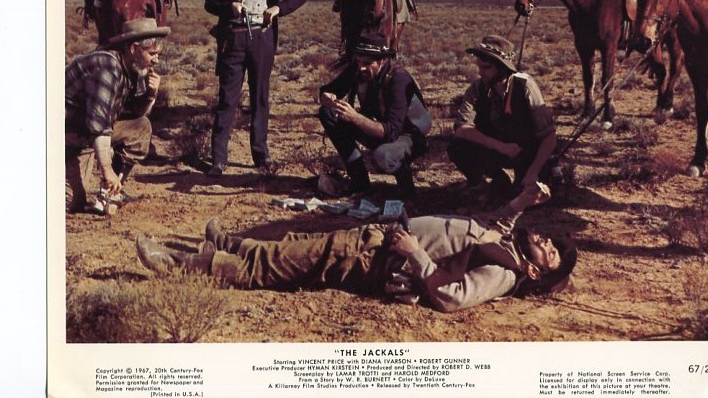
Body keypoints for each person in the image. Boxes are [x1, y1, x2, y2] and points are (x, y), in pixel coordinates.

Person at [135, 183, 576, 313]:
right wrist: (524, 202)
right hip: (376, 240)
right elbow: (496, 225)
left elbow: (452, 297)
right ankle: (230, 244)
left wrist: (415, 252)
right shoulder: (506, 246)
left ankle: (181, 265)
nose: (544, 241)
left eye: (551, 252)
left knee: (285, 264)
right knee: (298, 245)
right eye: (550, 240)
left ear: (536, 273)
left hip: (374, 257)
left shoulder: (503, 273)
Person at [205, 0, 307, 176]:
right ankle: (218, 159)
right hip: (233, 38)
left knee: (260, 96)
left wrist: (278, 8)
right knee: (228, 98)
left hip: (262, 38)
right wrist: (229, 7)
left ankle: (260, 154)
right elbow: (210, 3)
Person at [65, 17, 170, 214]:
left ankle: (110, 192)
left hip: (85, 132)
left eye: (158, 54)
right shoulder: (107, 67)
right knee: (69, 202)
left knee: (141, 126)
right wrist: (107, 169)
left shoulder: (135, 67)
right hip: (66, 135)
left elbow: (136, 114)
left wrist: (151, 93)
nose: (156, 60)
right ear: (133, 49)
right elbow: (99, 126)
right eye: (152, 53)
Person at [318, 33, 431, 199]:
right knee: (328, 113)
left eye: (367, 63)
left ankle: (407, 190)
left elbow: (391, 132)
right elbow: (329, 90)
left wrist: (355, 118)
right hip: (382, 128)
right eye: (358, 62)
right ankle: (359, 182)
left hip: (408, 136)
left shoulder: (398, 79)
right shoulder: (359, 69)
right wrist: (327, 97)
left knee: (383, 155)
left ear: (382, 60)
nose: (361, 67)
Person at [448, 35, 558, 198]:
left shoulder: (525, 85)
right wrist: (501, 147)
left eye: (486, 67)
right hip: (499, 148)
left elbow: (549, 137)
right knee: (458, 147)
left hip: (527, 152)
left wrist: (533, 172)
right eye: (479, 67)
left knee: (526, 195)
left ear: (502, 67)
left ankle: (528, 177)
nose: (480, 72)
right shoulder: (477, 89)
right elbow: (462, 130)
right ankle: (496, 180)